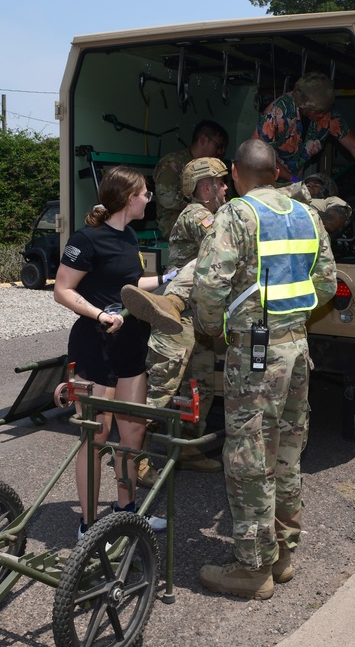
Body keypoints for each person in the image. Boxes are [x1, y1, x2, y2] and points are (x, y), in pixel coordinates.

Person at [192, 139, 336, 600]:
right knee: (287, 453)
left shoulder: (237, 215)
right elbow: (328, 282)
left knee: (249, 458)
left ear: (235, 173)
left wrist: (216, 329)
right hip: (297, 350)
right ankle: (284, 554)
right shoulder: (306, 214)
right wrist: (293, 318)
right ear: (275, 172)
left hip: (256, 355)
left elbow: (210, 285)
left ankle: (254, 569)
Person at [53, 166, 168, 538]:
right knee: (96, 436)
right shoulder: (86, 239)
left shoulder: (130, 235)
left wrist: (170, 277)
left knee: (132, 435)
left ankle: (127, 513)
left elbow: (129, 284)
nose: (149, 199)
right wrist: (100, 314)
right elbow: (62, 290)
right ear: (128, 197)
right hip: (95, 346)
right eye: (145, 193)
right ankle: (87, 526)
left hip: (130, 343)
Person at [137, 157, 229, 477]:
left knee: (199, 389)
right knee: (160, 393)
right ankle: (136, 460)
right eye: (221, 182)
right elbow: (225, 245)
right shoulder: (196, 215)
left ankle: (188, 450)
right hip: (176, 323)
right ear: (206, 188)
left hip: (197, 321)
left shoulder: (210, 212)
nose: (226, 188)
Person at [253, 71, 355, 183]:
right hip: (266, 177)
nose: (321, 115)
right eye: (317, 112)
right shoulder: (278, 113)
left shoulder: (328, 116)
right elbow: (259, 154)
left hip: (294, 180)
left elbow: (354, 147)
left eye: (324, 111)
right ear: (302, 106)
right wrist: (292, 179)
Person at [153, 120, 229, 239]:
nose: (221, 152)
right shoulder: (173, 163)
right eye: (218, 146)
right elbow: (166, 198)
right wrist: (200, 204)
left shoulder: (212, 168)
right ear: (203, 140)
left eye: (224, 148)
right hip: (175, 222)